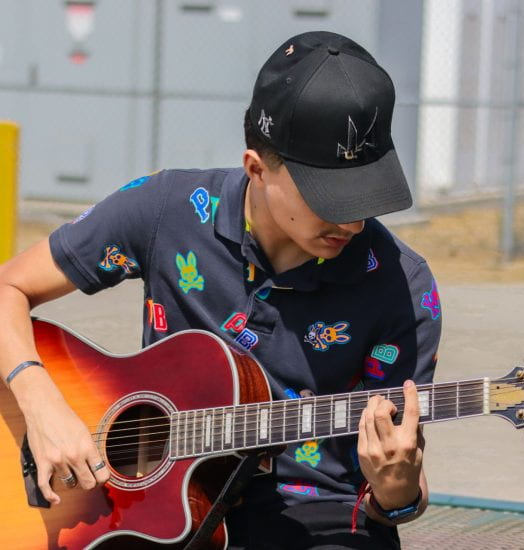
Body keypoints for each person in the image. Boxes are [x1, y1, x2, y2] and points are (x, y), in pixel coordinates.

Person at [0, 31, 441, 549]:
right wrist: (41, 404)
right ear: (256, 168)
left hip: (319, 521)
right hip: (145, 508)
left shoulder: (404, 286)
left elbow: (396, 498)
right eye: (331, 197)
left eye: (368, 193)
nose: (354, 220)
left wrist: (396, 487)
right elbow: (8, 286)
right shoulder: (165, 209)